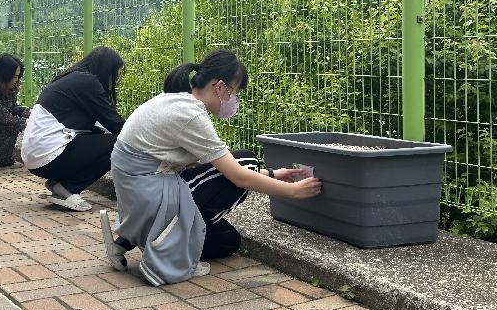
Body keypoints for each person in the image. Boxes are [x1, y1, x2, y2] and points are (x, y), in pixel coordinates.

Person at [99, 49, 322, 286]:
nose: (234, 100)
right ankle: (163, 254)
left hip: (138, 194)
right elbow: (239, 176)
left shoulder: (176, 100)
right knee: (246, 161)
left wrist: (275, 174)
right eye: (234, 92)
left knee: (228, 241)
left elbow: (208, 164)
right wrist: (294, 192)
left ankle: (131, 240)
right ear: (220, 87)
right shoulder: (191, 115)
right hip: (149, 192)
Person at [22, 46, 126, 212]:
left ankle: (59, 183)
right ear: (107, 69)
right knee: (118, 143)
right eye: (117, 73)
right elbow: (114, 124)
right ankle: (68, 187)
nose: (118, 79)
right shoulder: (88, 82)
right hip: (47, 153)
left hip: (37, 154)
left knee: (105, 137)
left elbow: (100, 126)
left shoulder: (74, 79)